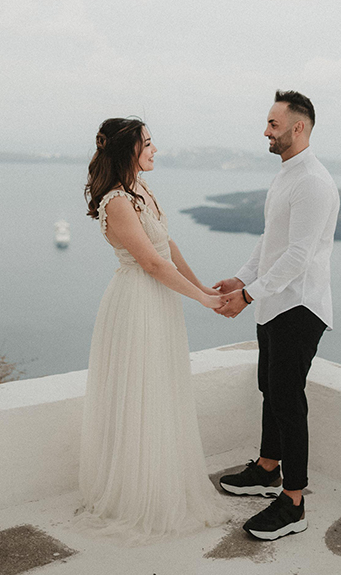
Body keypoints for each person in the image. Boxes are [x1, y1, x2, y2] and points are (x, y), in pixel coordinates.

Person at [76, 117, 228, 542]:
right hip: (137, 302)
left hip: (159, 300)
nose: (154, 149)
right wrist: (202, 301)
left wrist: (202, 286)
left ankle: (162, 486)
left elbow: (168, 246)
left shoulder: (140, 188)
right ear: (128, 150)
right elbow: (150, 263)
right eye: (147, 143)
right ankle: (138, 497)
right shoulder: (116, 201)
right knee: (142, 392)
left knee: (162, 389)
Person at [215, 90, 339, 541]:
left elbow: (298, 257)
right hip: (273, 303)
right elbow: (271, 241)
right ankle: (268, 468)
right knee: (270, 388)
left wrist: (248, 295)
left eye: (273, 123)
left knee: (287, 399)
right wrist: (241, 279)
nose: (266, 131)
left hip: (299, 307)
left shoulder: (313, 182)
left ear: (297, 127)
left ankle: (294, 502)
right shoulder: (287, 175)